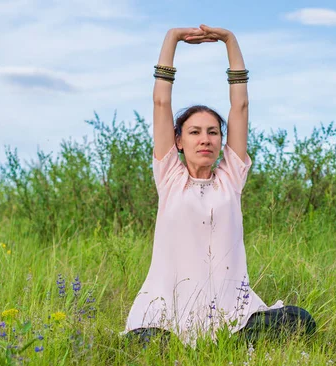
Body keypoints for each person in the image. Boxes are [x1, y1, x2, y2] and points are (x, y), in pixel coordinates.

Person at [122, 25, 315, 346]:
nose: (205, 139)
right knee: (148, 344)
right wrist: (172, 38)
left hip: (230, 312)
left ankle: (229, 341)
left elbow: (239, 107)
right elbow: (160, 102)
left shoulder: (230, 179)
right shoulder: (169, 177)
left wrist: (230, 41)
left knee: (300, 321)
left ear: (222, 141)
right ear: (178, 140)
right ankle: (192, 344)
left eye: (213, 132)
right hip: (167, 313)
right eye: (195, 132)